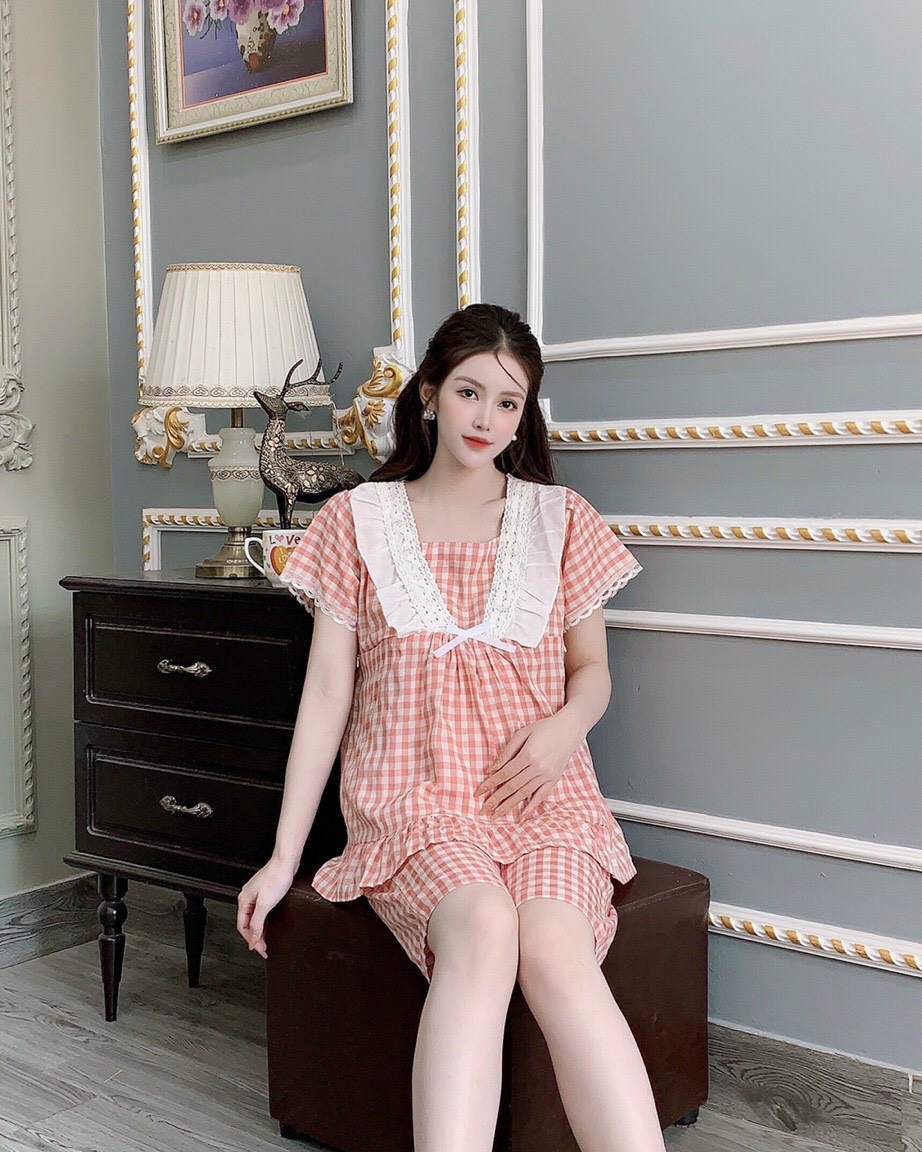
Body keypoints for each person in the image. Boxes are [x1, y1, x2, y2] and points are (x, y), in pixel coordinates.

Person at [236, 303, 666, 1152]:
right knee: (482, 927)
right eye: (469, 392)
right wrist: (284, 856)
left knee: (556, 947)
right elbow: (327, 693)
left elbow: (593, 671)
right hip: (415, 800)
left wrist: (562, 731)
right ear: (429, 392)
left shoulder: (561, 518)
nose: (486, 419)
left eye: (509, 403)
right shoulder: (357, 520)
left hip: (545, 797)